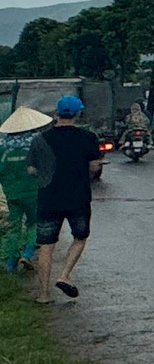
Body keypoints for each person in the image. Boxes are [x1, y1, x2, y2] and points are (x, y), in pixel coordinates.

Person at [25, 94, 100, 303]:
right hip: (78, 198)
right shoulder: (87, 138)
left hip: (49, 198)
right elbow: (94, 166)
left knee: (46, 246)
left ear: (57, 114)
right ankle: (64, 274)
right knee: (79, 238)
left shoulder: (40, 139)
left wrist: (42, 176)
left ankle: (43, 295)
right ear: (77, 114)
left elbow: (31, 168)